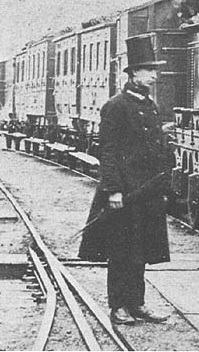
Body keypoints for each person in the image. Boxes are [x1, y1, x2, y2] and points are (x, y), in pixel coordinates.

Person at [78, 36, 173, 325]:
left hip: (147, 191)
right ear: (133, 74)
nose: (154, 75)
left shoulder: (150, 105)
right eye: (148, 70)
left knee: (142, 249)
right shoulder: (115, 106)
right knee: (121, 249)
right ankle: (118, 305)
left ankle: (138, 303)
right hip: (125, 191)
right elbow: (107, 152)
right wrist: (114, 190)